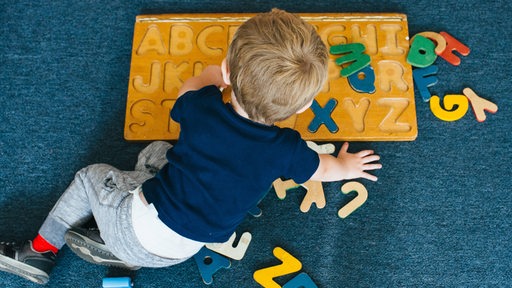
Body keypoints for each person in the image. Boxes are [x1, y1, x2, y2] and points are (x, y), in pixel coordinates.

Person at [0, 8, 382, 285]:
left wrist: (215, 75)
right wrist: (347, 166)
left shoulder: (202, 108)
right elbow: (324, 169)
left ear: (229, 72)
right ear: (301, 107)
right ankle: (116, 249)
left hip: (134, 226)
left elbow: (192, 86)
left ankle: (39, 251)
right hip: (181, 252)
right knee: (158, 154)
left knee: (91, 177)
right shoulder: (285, 149)